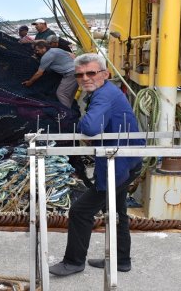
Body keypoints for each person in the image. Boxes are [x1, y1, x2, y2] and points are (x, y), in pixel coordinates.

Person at [49, 53, 143, 277]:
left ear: (105, 74)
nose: (85, 78)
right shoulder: (106, 92)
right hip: (128, 161)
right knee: (116, 211)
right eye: (79, 75)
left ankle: (73, 262)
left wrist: (82, 122)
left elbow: (90, 127)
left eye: (91, 73)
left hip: (118, 165)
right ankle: (121, 260)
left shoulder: (103, 96)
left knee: (80, 211)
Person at [22, 41, 78, 108]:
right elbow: (72, 55)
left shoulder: (46, 56)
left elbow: (39, 73)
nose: (37, 52)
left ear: (44, 48)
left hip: (71, 73)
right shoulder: (56, 49)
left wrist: (30, 82)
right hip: (78, 70)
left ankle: (67, 113)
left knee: (61, 93)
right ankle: (70, 110)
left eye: (37, 50)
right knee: (69, 95)